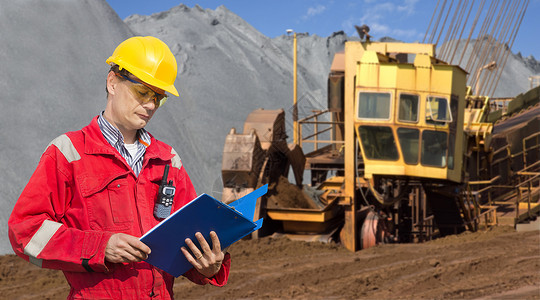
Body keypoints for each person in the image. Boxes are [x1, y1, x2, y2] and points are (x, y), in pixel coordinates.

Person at [8, 36, 230, 299]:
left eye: (159, 97)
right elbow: (25, 231)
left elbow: (187, 242)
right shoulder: (69, 153)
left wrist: (209, 266)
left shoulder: (168, 160)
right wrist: (99, 247)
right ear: (112, 82)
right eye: (143, 92)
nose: (150, 105)